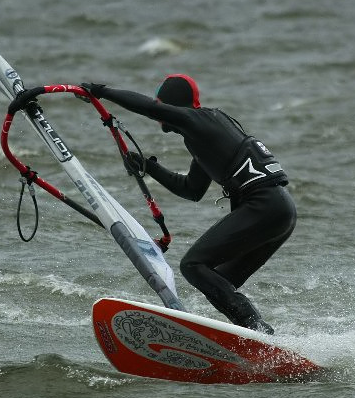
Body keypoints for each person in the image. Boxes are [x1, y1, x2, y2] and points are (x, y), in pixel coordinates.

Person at [80, 75, 296, 334]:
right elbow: (191, 190)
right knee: (218, 281)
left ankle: (258, 329)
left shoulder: (198, 120)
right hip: (281, 212)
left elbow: (149, 108)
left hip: (265, 206)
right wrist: (149, 167)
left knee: (192, 265)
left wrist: (101, 92)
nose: (161, 113)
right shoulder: (202, 134)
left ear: (171, 105)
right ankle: (255, 342)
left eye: (163, 105)